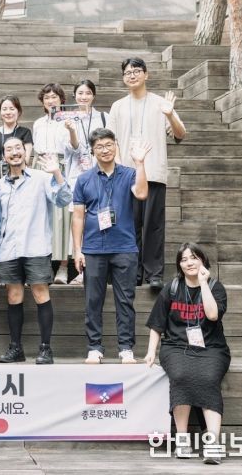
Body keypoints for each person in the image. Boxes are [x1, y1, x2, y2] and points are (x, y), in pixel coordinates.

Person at [0, 137, 72, 365]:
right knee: (13, 296)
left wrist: (57, 173)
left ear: (25, 152)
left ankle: (45, 349)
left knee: (41, 294)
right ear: (4, 156)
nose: (14, 152)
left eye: (18, 148)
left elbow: (64, 200)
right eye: (9, 149)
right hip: (9, 250)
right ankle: (16, 348)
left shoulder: (42, 178)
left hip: (36, 247)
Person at [144, 243, 230, 465]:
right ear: (179, 265)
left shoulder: (215, 287)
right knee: (181, 375)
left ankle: (212, 443)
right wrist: (151, 351)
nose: (189, 263)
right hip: (176, 346)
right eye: (184, 259)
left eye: (194, 258)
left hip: (211, 348)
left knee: (208, 378)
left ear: (203, 261)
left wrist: (203, 284)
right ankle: (182, 440)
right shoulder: (171, 289)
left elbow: (212, 315)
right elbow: (157, 324)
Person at [72, 128, 151, 365]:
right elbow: (78, 216)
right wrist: (77, 249)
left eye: (108, 145)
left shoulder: (129, 173)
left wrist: (140, 163)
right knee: (92, 301)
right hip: (93, 248)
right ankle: (94, 347)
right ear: (92, 150)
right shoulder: (84, 179)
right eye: (99, 146)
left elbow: (142, 193)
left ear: (116, 145)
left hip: (124, 247)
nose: (105, 150)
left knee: (125, 300)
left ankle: (126, 348)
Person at [109, 57, 186, 291]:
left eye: (136, 71)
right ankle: (133, 272)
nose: (132, 75)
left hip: (153, 172)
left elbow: (180, 134)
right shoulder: (118, 106)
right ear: (123, 78)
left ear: (146, 74)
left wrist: (170, 115)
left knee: (153, 225)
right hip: (126, 175)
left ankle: (154, 273)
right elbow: (112, 141)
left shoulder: (161, 103)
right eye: (127, 72)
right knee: (129, 225)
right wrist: (119, 169)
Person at [64, 80, 110, 285]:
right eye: (80, 93)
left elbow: (111, 144)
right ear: (74, 96)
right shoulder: (67, 118)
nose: (84, 97)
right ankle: (82, 269)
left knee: (102, 218)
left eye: (88, 93)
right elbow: (72, 147)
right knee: (80, 220)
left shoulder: (103, 117)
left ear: (94, 96)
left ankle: (102, 266)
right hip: (78, 176)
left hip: (101, 174)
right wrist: (72, 130)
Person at [32, 83, 74, 285]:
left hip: (61, 166)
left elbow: (74, 146)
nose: (50, 101)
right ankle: (45, 264)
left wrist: (71, 130)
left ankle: (63, 266)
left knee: (62, 216)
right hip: (40, 167)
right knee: (42, 216)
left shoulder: (69, 120)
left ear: (61, 100)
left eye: (54, 97)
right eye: (47, 97)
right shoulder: (38, 123)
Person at [0, 95, 33, 180]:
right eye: (4, 109)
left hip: (18, 179)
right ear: (0, 112)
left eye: (12, 109)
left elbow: (26, 160)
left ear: (18, 111)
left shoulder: (25, 132)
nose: (8, 112)